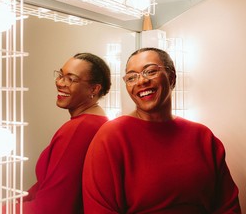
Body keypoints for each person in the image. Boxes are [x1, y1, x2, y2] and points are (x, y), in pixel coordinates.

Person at [82, 47, 241, 213]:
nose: (141, 81)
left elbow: (228, 206)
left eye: (150, 71)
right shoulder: (111, 136)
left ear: (171, 77)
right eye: (131, 77)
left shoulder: (203, 137)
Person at [4, 52, 111, 214]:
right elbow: (42, 188)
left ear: (94, 89)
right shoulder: (97, 121)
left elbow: (51, 207)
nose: (60, 82)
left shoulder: (79, 129)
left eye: (71, 79)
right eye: (61, 75)